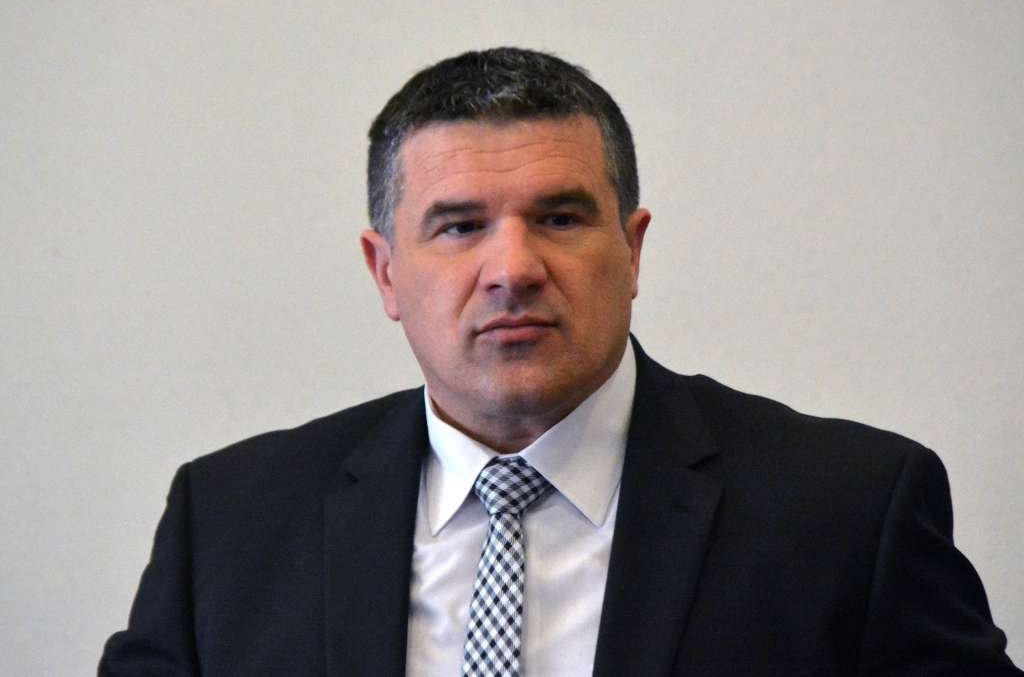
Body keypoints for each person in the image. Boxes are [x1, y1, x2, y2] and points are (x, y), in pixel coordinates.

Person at [100, 47, 1020, 676]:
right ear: (385, 272)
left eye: (560, 217)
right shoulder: (228, 523)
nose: (513, 268)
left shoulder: (848, 509)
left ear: (633, 249)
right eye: (459, 226)